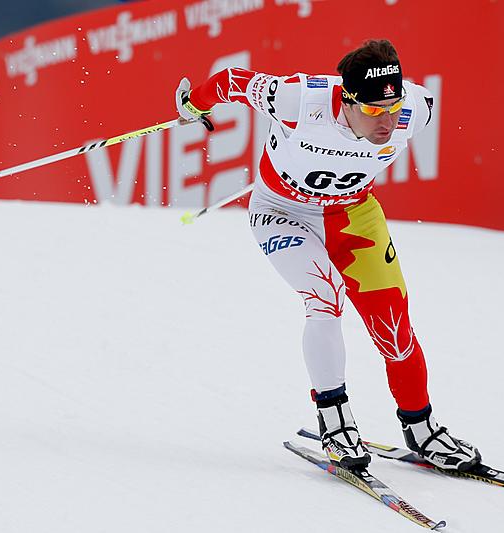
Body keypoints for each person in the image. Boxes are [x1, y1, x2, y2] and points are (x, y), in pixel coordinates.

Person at [176, 39, 481, 472]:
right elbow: (230, 83)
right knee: (325, 296)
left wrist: (392, 110)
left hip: (353, 216)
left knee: (394, 327)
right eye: (374, 111)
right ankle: (334, 418)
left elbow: (409, 105)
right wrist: (192, 104)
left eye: (393, 108)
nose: (388, 122)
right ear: (346, 98)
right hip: (282, 213)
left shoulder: (416, 107)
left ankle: (421, 428)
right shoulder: (299, 99)